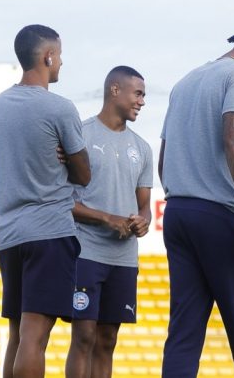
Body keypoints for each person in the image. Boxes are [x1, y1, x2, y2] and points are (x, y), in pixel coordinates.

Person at [158, 29, 234, 378]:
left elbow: (165, 157)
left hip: (178, 212)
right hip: (220, 214)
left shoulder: (186, 81)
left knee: (183, 332)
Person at [0, 24, 91, 378]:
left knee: (17, 334)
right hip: (48, 231)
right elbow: (84, 174)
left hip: (8, 234)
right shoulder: (59, 108)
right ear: (47, 56)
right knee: (36, 335)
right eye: (59, 54)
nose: (61, 61)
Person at [64, 66, 152, 378]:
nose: (142, 101)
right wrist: (106, 219)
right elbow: (64, 201)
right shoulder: (81, 136)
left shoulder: (142, 148)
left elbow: (144, 206)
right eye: (137, 93)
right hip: (86, 252)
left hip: (124, 258)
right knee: (84, 336)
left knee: (108, 339)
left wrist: (143, 221)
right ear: (115, 90)